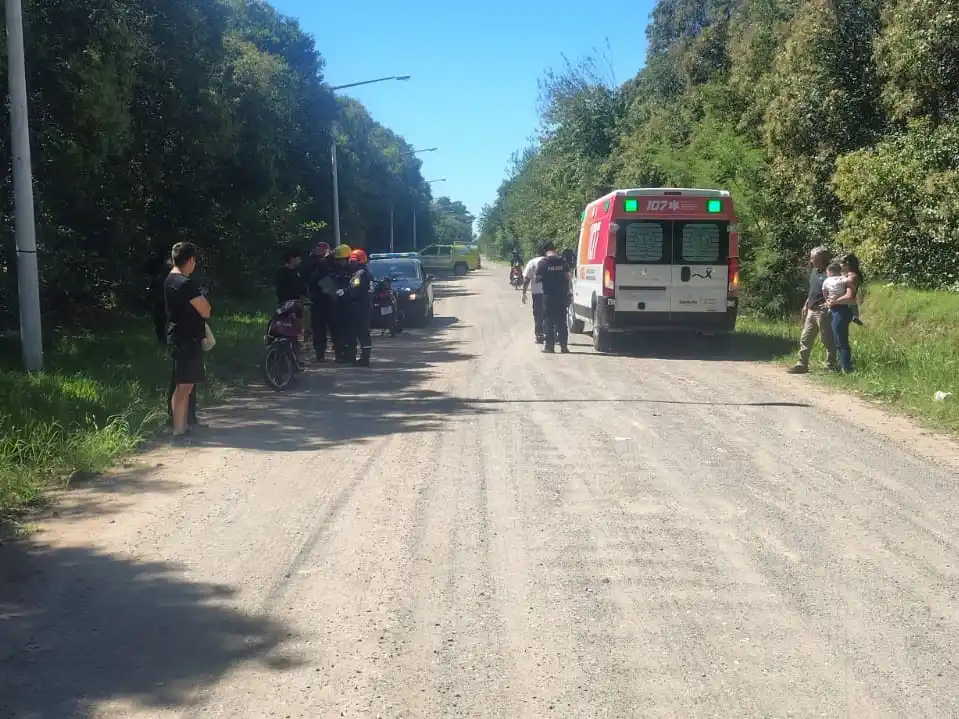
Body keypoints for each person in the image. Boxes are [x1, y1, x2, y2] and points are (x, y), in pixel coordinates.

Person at [164, 242, 211, 442]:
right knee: (184, 386)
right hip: (186, 339)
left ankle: (180, 426)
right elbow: (205, 309)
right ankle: (178, 430)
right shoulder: (185, 282)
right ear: (190, 260)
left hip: (178, 336)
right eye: (194, 261)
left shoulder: (170, 279)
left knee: (182, 385)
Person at [788, 245, 837, 374]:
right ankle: (802, 364)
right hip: (811, 309)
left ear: (821, 258)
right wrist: (806, 304)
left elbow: (836, 290)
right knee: (805, 338)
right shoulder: (814, 271)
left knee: (827, 339)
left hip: (823, 311)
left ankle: (831, 365)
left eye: (813, 258)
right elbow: (813, 290)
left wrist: (828, 304)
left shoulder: (831, 272)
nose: (811, 260)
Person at [825, 252, 864, 374]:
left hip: (842, 309)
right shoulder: (846, 276)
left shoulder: (851, 277)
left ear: (848, 264)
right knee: (838, 340)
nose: (841, 265)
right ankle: (842, 366)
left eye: (843, 263)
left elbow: (849, 296)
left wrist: (834, 302)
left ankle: (845, 368)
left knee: (841, 342)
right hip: (839, 308)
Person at [536, 241, 571, 353]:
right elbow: (568, 277)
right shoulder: (563, 261)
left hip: (548, 296)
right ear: (554, 249)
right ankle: (564, 347)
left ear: (545, 251)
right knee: (562, 321)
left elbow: (538, 279)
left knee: (549, 321)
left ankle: (549, 347)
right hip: (561, 296)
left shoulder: (543, 263)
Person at [306, 242, 335, 362]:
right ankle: (320, 354)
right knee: (319, 328)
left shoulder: (332, 263)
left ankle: (337, 351)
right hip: (318, 299)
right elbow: (308, 279)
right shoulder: (312, 265)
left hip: (328, 299)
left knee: (333, 326)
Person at [347, 248, 374, 367]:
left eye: (353, 262)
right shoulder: (367, 273)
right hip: (365, 306)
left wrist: (344, 292)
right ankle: (364, 358)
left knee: (361, 333)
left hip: (359, 306)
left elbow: (354, 290)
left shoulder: (359, 275)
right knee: (364, 333)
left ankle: (363, 359)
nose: (351, 264)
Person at [330, 244, 355, 363]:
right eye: (338, 260)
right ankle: (339, 354)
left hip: (350, 305)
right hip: (337, 305)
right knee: (337, 331)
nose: (340, 262)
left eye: (342, 260)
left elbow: (355, 287)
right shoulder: (334, 270)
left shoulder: (353, 270)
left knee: (350, 331)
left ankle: (350, 354)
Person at [521, 244, 546, 344]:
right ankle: (551, 334)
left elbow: (526, 279)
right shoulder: (553, 261)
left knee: (538, 314)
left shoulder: (532, 262)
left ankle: (539, 335)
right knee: (550, 314)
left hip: (537, 293)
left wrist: (524, 292)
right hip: (552, 292)